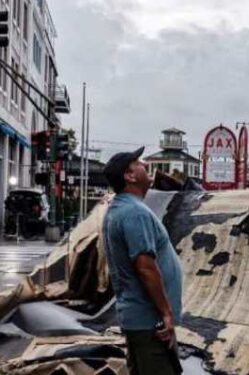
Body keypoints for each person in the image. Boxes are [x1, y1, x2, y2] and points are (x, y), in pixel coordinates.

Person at [102, 146, 184, 375]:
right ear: (129, 176)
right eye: (138, 163)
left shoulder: (121, 209)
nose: (145, 165)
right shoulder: (134, 213)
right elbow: (145, 267)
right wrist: (166, 313)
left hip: (141, 320)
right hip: (150, 323)